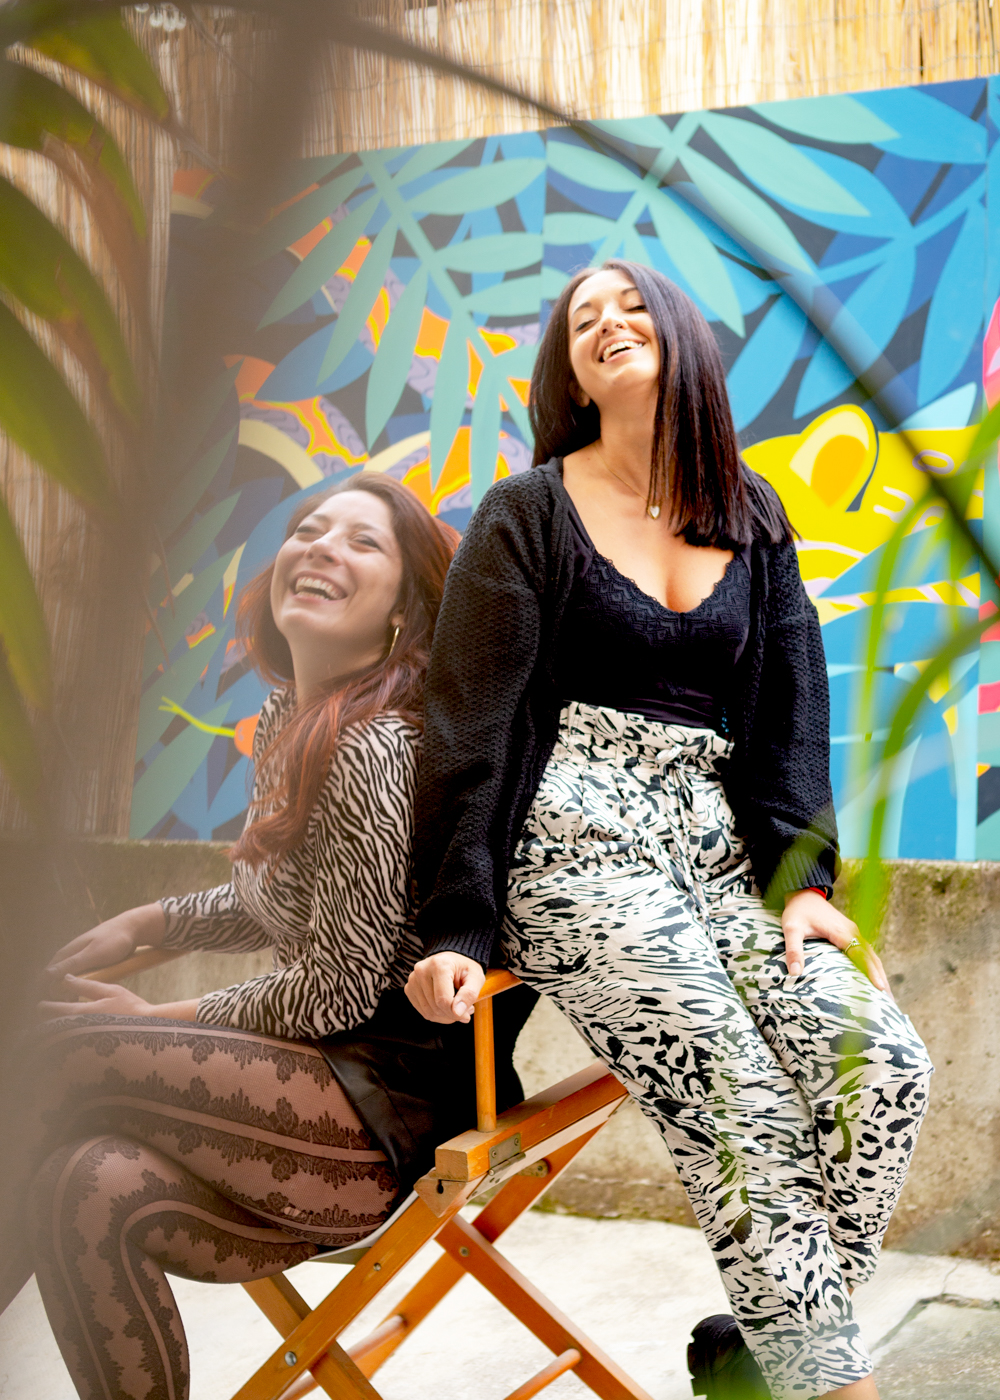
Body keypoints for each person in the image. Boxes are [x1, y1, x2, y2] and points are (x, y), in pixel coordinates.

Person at [404, 263, 934, 1400]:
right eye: (581, 322)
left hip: (717, 850)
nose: (607, 323)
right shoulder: (526, 512)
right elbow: (467, 725)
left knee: (881, 1066)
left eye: (631, 305)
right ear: (570, 378)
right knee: (740, 1101)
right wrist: (453, 922)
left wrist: (803, 884)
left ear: (681, 334)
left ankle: (757, 1350)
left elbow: (792, 708)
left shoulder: (752, 510)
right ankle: (829, 1385)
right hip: (570, 845)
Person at [15, 473, 534, 1400]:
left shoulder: (376, 747)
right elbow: (283, 896)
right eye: (308, 529)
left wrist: (153, 1018)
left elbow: (339, 985)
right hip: (298, 1106)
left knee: (49, 1056)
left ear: (404, 612)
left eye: (362, 542)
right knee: (84, 1186)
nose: (322, 545)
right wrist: (151, 922)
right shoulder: (296, 720)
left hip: (380, 1109)